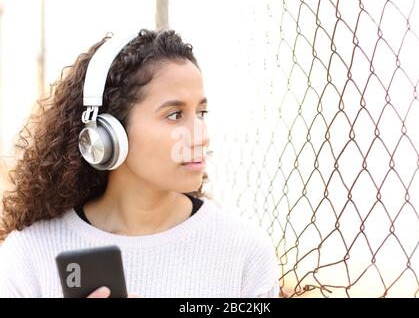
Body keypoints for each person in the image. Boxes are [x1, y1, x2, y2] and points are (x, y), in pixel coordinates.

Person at [0, 29, 280, 298]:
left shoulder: (245, 252)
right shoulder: (30, 256)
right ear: (106, 133)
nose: (201, 137)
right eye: (174, 114)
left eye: (201, 113)